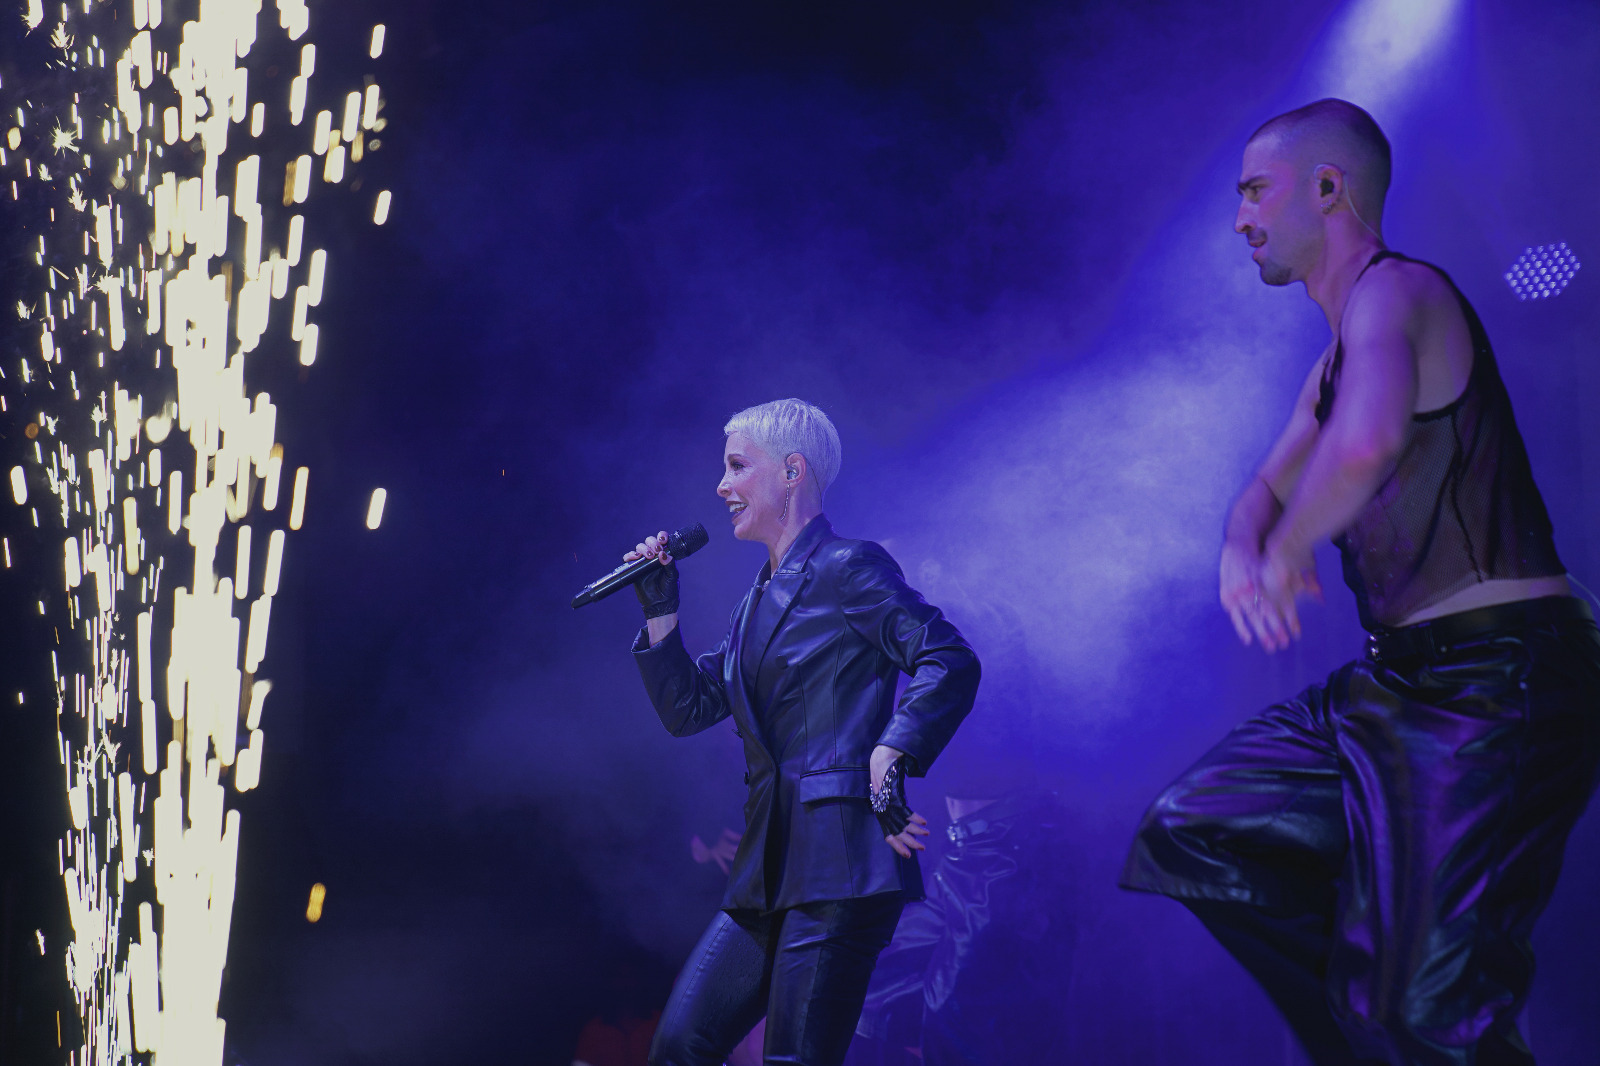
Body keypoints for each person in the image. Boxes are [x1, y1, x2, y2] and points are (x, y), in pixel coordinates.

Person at [1121, 99, 1600, 1065]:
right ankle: (1370, 1024)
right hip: (1392, 689)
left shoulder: (1400, 293)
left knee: (1424, 1011)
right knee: (1193, 832)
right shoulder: (1329, 362)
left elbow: (1366, 444)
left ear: (1329, 189)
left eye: (1255, 192)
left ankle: (1397, 1017)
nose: (1240, 219)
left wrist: (1290, 549)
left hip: (1499, 684)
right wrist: (1242, 543)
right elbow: (1265, 487)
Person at [624, 398, 981, 1066]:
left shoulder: (849, 566)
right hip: (769, 866)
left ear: (792, 471)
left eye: (737, 467)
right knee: (679, 1045)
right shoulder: (754, 602)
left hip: (841, 860)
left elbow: (948, 657)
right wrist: (660, 612)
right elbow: (689, 709)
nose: (722, 486)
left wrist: (893, 747)